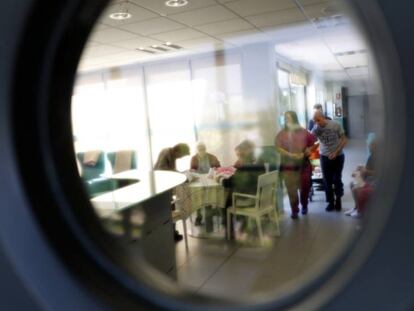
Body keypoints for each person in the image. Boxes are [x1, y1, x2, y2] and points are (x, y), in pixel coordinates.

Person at [275, 111, 317, 219]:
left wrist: (309, 149)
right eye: (285, 118)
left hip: (303, 165)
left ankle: (304, 205)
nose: (287, 120)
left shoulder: (303, 132)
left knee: (304, 187)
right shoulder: (282, 134)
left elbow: (314, 143)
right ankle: (294, 210)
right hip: (288, 167)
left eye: (289, 118)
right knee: (291, 190)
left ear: (294, 119)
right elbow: (278, 148)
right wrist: (291, 155)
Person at [311, 111, 348, 212]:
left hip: (338, 156)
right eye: (314, 121)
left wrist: (336, 152)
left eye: (318, 120)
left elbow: (344, 139)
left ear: (323, 118)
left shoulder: (335, 125)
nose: (316, 123)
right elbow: (311, 140)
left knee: (337, 179)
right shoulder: (316, 128)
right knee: (327, 180)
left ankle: (338, 199)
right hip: (324, 156)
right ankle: (331, 202)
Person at [154, 143, 190, 241]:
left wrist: (180, 174)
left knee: (171, 208)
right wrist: (180, 175)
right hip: (161, 186)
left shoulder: (171, 153)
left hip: (166, 185)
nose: (180, 157)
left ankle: (172, 233)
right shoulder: (166, 152)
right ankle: (169, 234)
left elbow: (171, 169)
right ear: (178, 151)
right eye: (181, 155)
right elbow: (162, 169)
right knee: (168, 209)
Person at [190, 142, 221, 226]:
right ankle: (199, 217)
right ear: (197, 150)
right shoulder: (194, 158)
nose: (201, 150)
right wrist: (192, 171)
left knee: (210, 194)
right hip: (199, 180)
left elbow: (219, 168)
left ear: (205, 149)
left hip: (210, 179)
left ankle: (210, 216)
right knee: (198, 196)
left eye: (203, 149)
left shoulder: (212, 157)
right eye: (200, 149)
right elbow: (192, 170)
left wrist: (216, 168)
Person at [346, 138, 378, 217]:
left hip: (375, 181)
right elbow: (366, 170)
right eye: (369, 145)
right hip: (369, 178)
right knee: (352, 184)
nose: (369, 147)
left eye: (371, 146)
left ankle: (360, 210)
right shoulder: (371, 156)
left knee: (356, 189)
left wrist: (365, 171)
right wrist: (359, 171)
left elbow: (379, 173)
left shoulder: (380, 158)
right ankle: (356, 207)